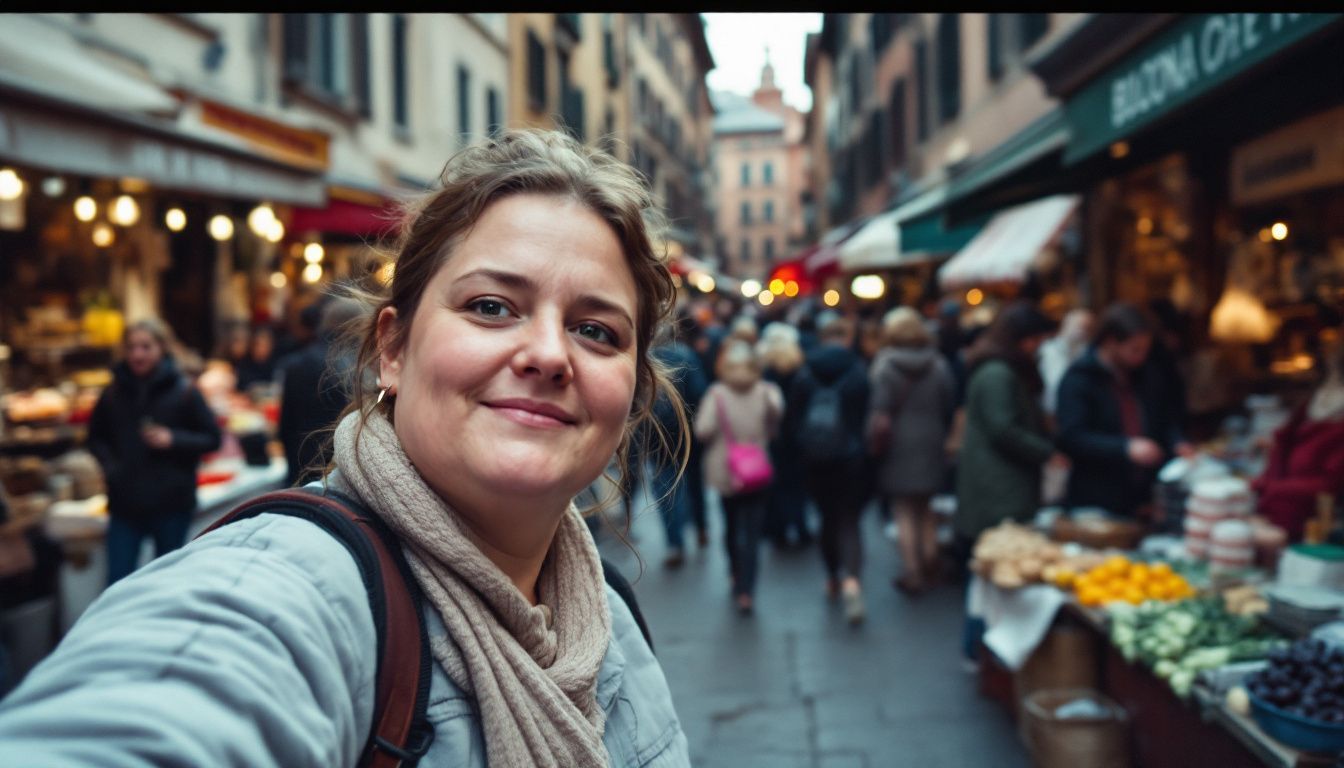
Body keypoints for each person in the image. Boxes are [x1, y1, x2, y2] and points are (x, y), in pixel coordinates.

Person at [0, 130, 691, 766]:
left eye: (596, 330)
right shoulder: (280, 593)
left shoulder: (608, 612)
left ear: (631, 393)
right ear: (392, 349)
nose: (548, 354)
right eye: (490, 306)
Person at [84, 318, 223, 586]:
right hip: (125, 505)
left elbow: (212, 439)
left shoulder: (185, 391)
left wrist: (174, 439)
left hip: (171, 504)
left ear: (162, 348)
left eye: (145, 347)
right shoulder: (112, 393)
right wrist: (112, 468)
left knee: (166, 583)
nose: (137, 354)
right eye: (132, 347)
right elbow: (95, 438)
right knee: (117, 584)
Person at [1056, 302, 1192, 518]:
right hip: (1096, 498)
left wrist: (1177, 442)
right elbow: (1072, 437)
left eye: (1145, 350)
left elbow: (1164, 418)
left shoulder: (1146, 375)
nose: (1141, 357)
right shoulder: (1079, 379)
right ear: (1110, 342)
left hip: (1140, 498)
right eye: (1135, 349)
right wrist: (1125, 448)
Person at [867, 307, 955, 596]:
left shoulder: (884, 366)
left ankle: (913, 571)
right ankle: (930, 561)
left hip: (899, 444)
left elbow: (878, 410)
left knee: (904, 510)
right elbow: (948, 404)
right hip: (931, 440)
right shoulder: (938, 364)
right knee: (926, 508)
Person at [790, 315, 871, 625]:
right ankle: (853, 579)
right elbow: (866, 415)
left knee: (826, 518)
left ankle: (832, 578)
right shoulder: (858, 371)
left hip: (816, 458)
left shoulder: (806, 372)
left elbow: (794, 419)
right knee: (849, 519)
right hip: (851, 458)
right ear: (846, 338)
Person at [695, 338, 783, 615]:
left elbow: (702, 430)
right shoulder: (767, 391)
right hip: (757, 467)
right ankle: (747, 590)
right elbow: (775, 425)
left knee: (732, 526)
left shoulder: (717, 394)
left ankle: (734, 574)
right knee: (754, 533)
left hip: (726, 472)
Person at [1252, 331, 1344, 541]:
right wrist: (1266, 483)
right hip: (1279, 513)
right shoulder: (1317, 400)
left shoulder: (1336, 422)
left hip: (1309, 524)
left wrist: (1272, 487)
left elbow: (1329, 483)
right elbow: (1282, 445)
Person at [275, 295, 365, 486]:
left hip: (299, 465)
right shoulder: (356, 367)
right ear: (356, 326)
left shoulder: (294, 364)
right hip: (336, 472)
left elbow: (285, 425)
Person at [649, 312, 709, 567]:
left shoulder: (646, 361)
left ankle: (675, 542)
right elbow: (700, 393)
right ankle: (701, 527)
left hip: (655, 435)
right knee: (694, 481)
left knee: (665, 488)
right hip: (687, 432)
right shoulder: (686, 356)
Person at [757, 321, 812, 549]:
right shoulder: (800, 366)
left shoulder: (764, 369)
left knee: (777, 484)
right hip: (797, 435)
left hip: (775, 435)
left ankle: (778, 530)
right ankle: (800, 527)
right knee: (797, 484)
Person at [1038, 308, 1094, 419]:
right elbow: (1056, 384)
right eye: (1080, 327)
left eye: (1088, 328)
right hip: (1053, 412)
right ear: (1066, 325)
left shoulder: (1086, 351)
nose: (1082, 332)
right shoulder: (1049, 350)